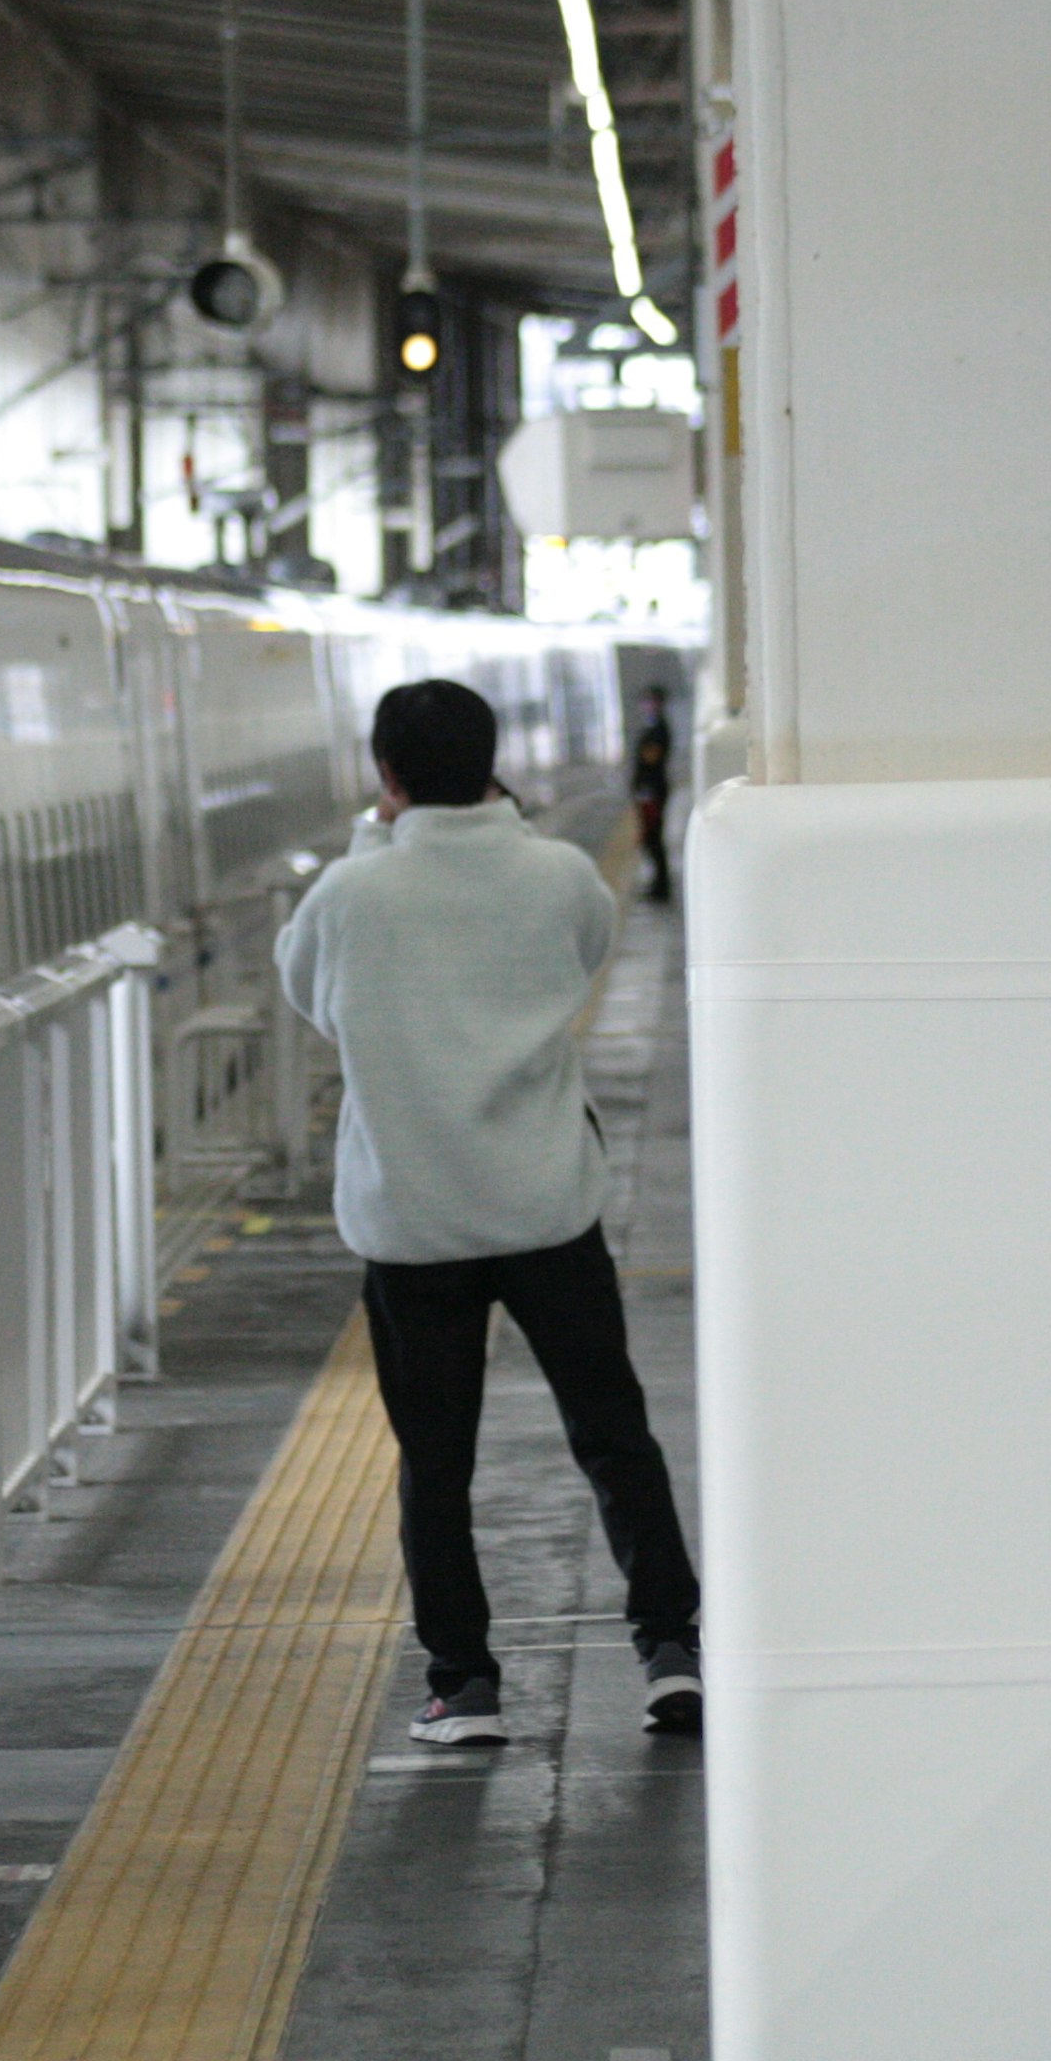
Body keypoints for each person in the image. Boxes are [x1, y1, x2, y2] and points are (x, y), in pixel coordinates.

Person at [276, 678, 703, 1747]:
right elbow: (590, 947)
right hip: (548, 1204)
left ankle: (463, 1683)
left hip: (414, 1223)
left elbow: (310, 996)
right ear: (493, 760)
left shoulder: (348, 895)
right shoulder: (557, 874)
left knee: (438, 1463)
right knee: (613, 1435)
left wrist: (380, 849)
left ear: (387, 777)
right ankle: (670, 1649)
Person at [628, 682, 678, 904]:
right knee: (651, 838)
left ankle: (661, 886)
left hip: (652, 790)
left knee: (653, 837)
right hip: (648, 789)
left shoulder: (658, 728)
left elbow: (651, 758)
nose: (646, 705)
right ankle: (658, 884)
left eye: (650, 701)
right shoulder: (653, 727)